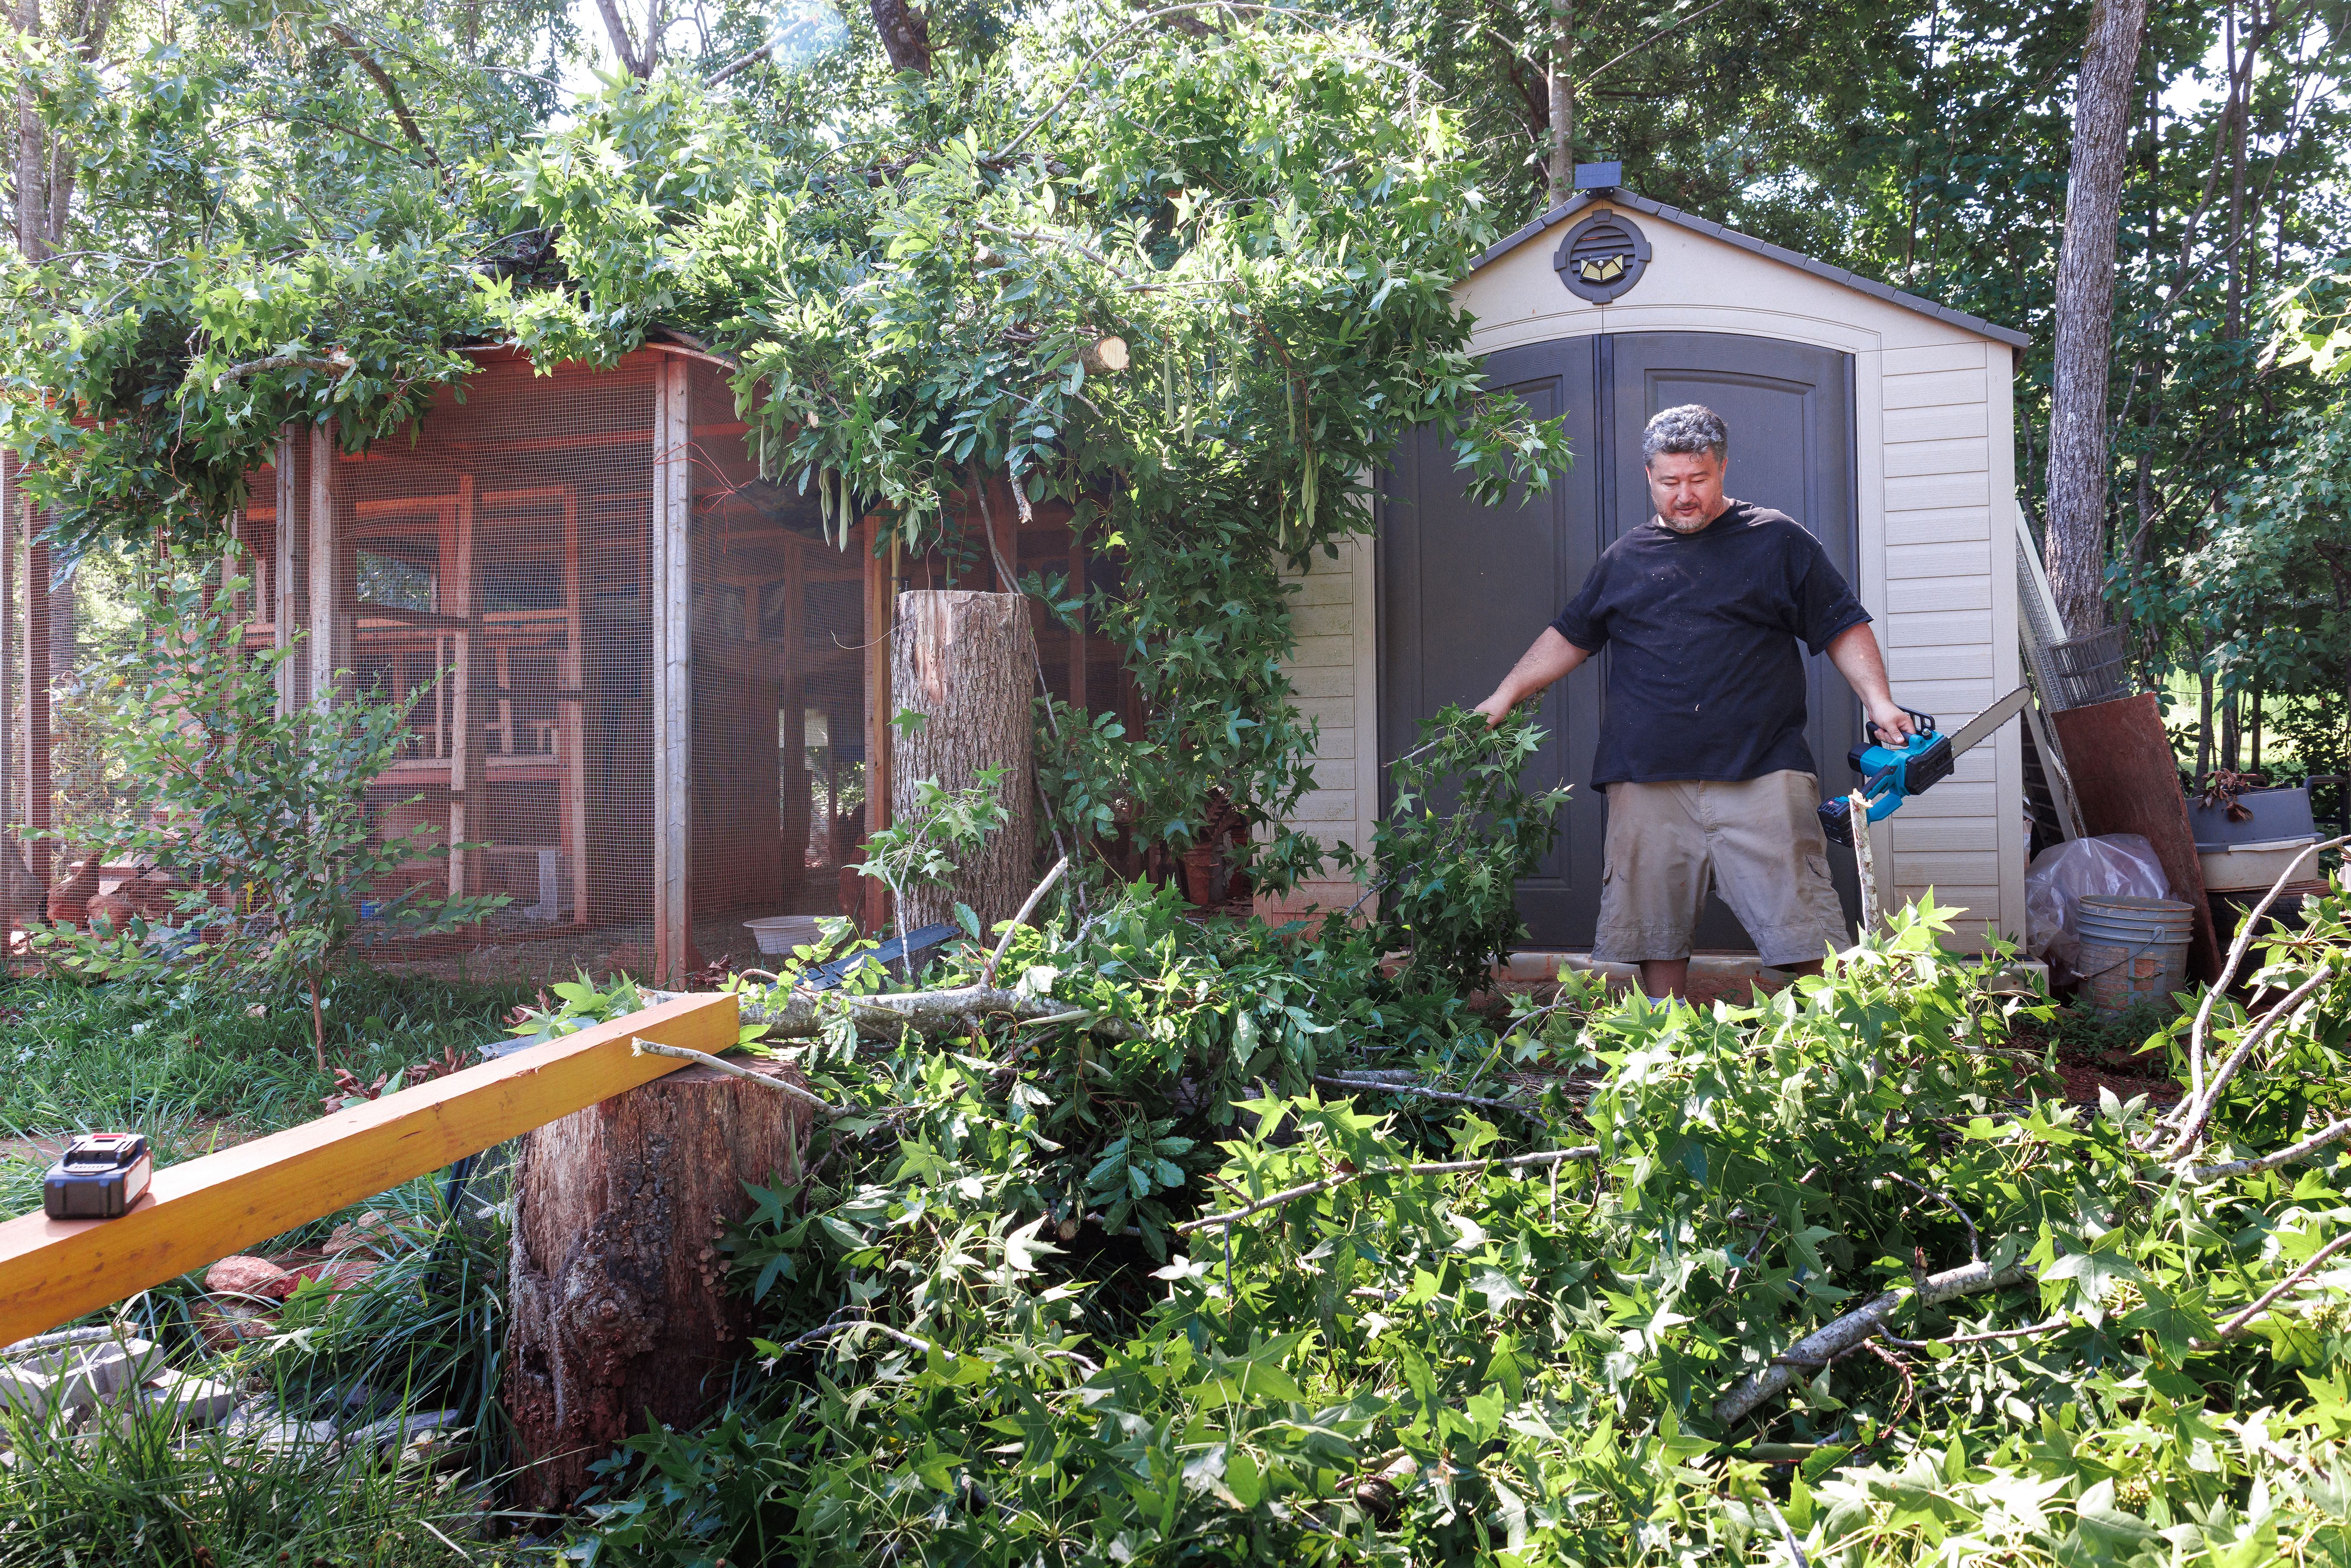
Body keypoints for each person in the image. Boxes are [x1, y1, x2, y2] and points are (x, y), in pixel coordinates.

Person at [1472, 403, 1915, 1003]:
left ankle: (1828, 1052)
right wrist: (1504, 695)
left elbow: (1841, 623)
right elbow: (1571, 636)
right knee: (1657, 931)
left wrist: (1879, 702)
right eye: (1670, 482)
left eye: (1698, 480)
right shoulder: (1625, 559)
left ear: (1723, 468)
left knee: (1802, 926)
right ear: (1648, 475)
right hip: (1647, 773)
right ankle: (1665, 1046)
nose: (1685, 496)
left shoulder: (1777, 540)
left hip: (1762, 767)